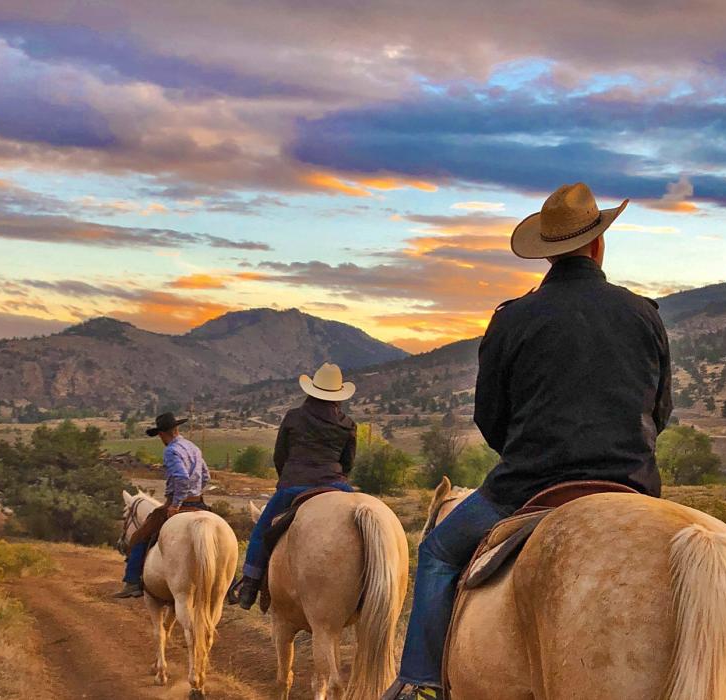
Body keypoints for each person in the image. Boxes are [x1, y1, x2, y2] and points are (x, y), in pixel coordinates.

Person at [385, 183, 673, 699]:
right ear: (599, 245)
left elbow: (490, 418)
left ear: (547, 252)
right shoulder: (644, 313)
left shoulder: (512, 318)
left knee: (437, 553)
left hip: (527, 486)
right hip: (631, 486)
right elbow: (661, 413)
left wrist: (530, 451)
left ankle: (420, 684)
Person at [234, 362, 358, 610]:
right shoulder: (348, 424)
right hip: (335, 485)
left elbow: (280, 455)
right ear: (338, 395)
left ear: (312, 390)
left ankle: (249, 585)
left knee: (261, 531)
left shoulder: (293, 417)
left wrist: (288, 480)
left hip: (294, 485)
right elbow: (347, 463)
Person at [113, 412, 212, 598]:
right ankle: (230, 586)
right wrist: (195, 492)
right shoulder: (193, 447)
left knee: (140, 536)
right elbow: (206, 476)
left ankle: (132, 581)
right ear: (176, 428)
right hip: (199, 502)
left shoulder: (171, 450)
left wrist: (176, 504)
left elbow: (181, 478)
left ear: (161, 434)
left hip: (177, 503)